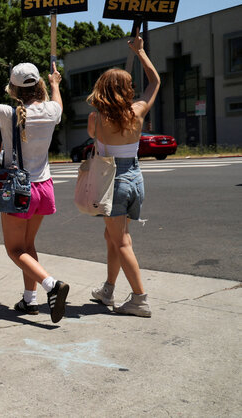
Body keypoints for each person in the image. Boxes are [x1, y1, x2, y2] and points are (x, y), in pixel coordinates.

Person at [0, 59, 69, 323]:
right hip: (44, 187)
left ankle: (51, 285)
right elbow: (58, 100)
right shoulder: (52, 111)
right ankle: (29, 300)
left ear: (14, 89)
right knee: (28, 246)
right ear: (40, 84)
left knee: (13, 250)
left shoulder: (10, 114)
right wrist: (56, 83)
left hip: (19, 190)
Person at [87, 36, 159, 318]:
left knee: (121, 241)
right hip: (135, 177)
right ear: (127, 89)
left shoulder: (97, 118)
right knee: (113, 235)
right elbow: (154, 83)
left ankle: (140, 299)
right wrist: (140, 52)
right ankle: (108, 289)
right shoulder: (137, 112)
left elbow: (93, 137)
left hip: (112, 180)